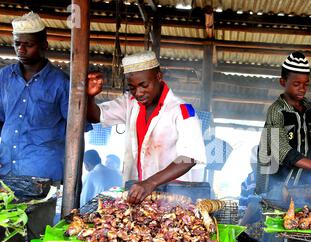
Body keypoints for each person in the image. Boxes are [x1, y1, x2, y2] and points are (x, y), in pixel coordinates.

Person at [86, 50, 206, 204]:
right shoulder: (129, 103)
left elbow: (189, 157)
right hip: (141, 192)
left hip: (175, 195)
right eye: (132, 88)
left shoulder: (182, 110)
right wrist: (89, 96)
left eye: (144, 85)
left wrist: (150, 182)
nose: (139, 93)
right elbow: (95, 116)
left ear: (158, 77)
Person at [256, 51, 311, 195]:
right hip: (274, 185)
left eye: (305, 84)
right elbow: (281, 150)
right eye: (297, 84)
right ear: (283, 82)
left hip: (305, 186)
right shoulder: (276, 110)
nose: (302, 88)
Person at [0, 12, 72, 181]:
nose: (21, 50)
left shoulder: (61, 83)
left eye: (28, 44)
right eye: (17, 44)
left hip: (43, 174)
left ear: (44, 45)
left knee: (40, 209)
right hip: (6, 170)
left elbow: (75, 132)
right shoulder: (4, 77)